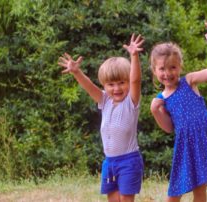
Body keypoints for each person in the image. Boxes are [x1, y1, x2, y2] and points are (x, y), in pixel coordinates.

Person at [150, 22, 207, 202]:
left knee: (200, 191)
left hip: (203, 137)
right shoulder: (162, 98)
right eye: (162, 69)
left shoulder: (189, 81)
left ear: (180, 67)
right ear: (155, 71)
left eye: (172, 67)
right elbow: (169, 128)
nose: (167, 73)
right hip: (185, 144)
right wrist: (155, 111)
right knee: (175, 192)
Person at [58, 34, 144, 202]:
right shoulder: (104, 100)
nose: (116, 88)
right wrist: (76, 72)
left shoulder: (131, 102)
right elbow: (89, 86)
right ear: (104, 85)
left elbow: (136, 81)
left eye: (121, 82)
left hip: (129, 161)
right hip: (109, 163)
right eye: (111, 84)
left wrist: (134, 56)